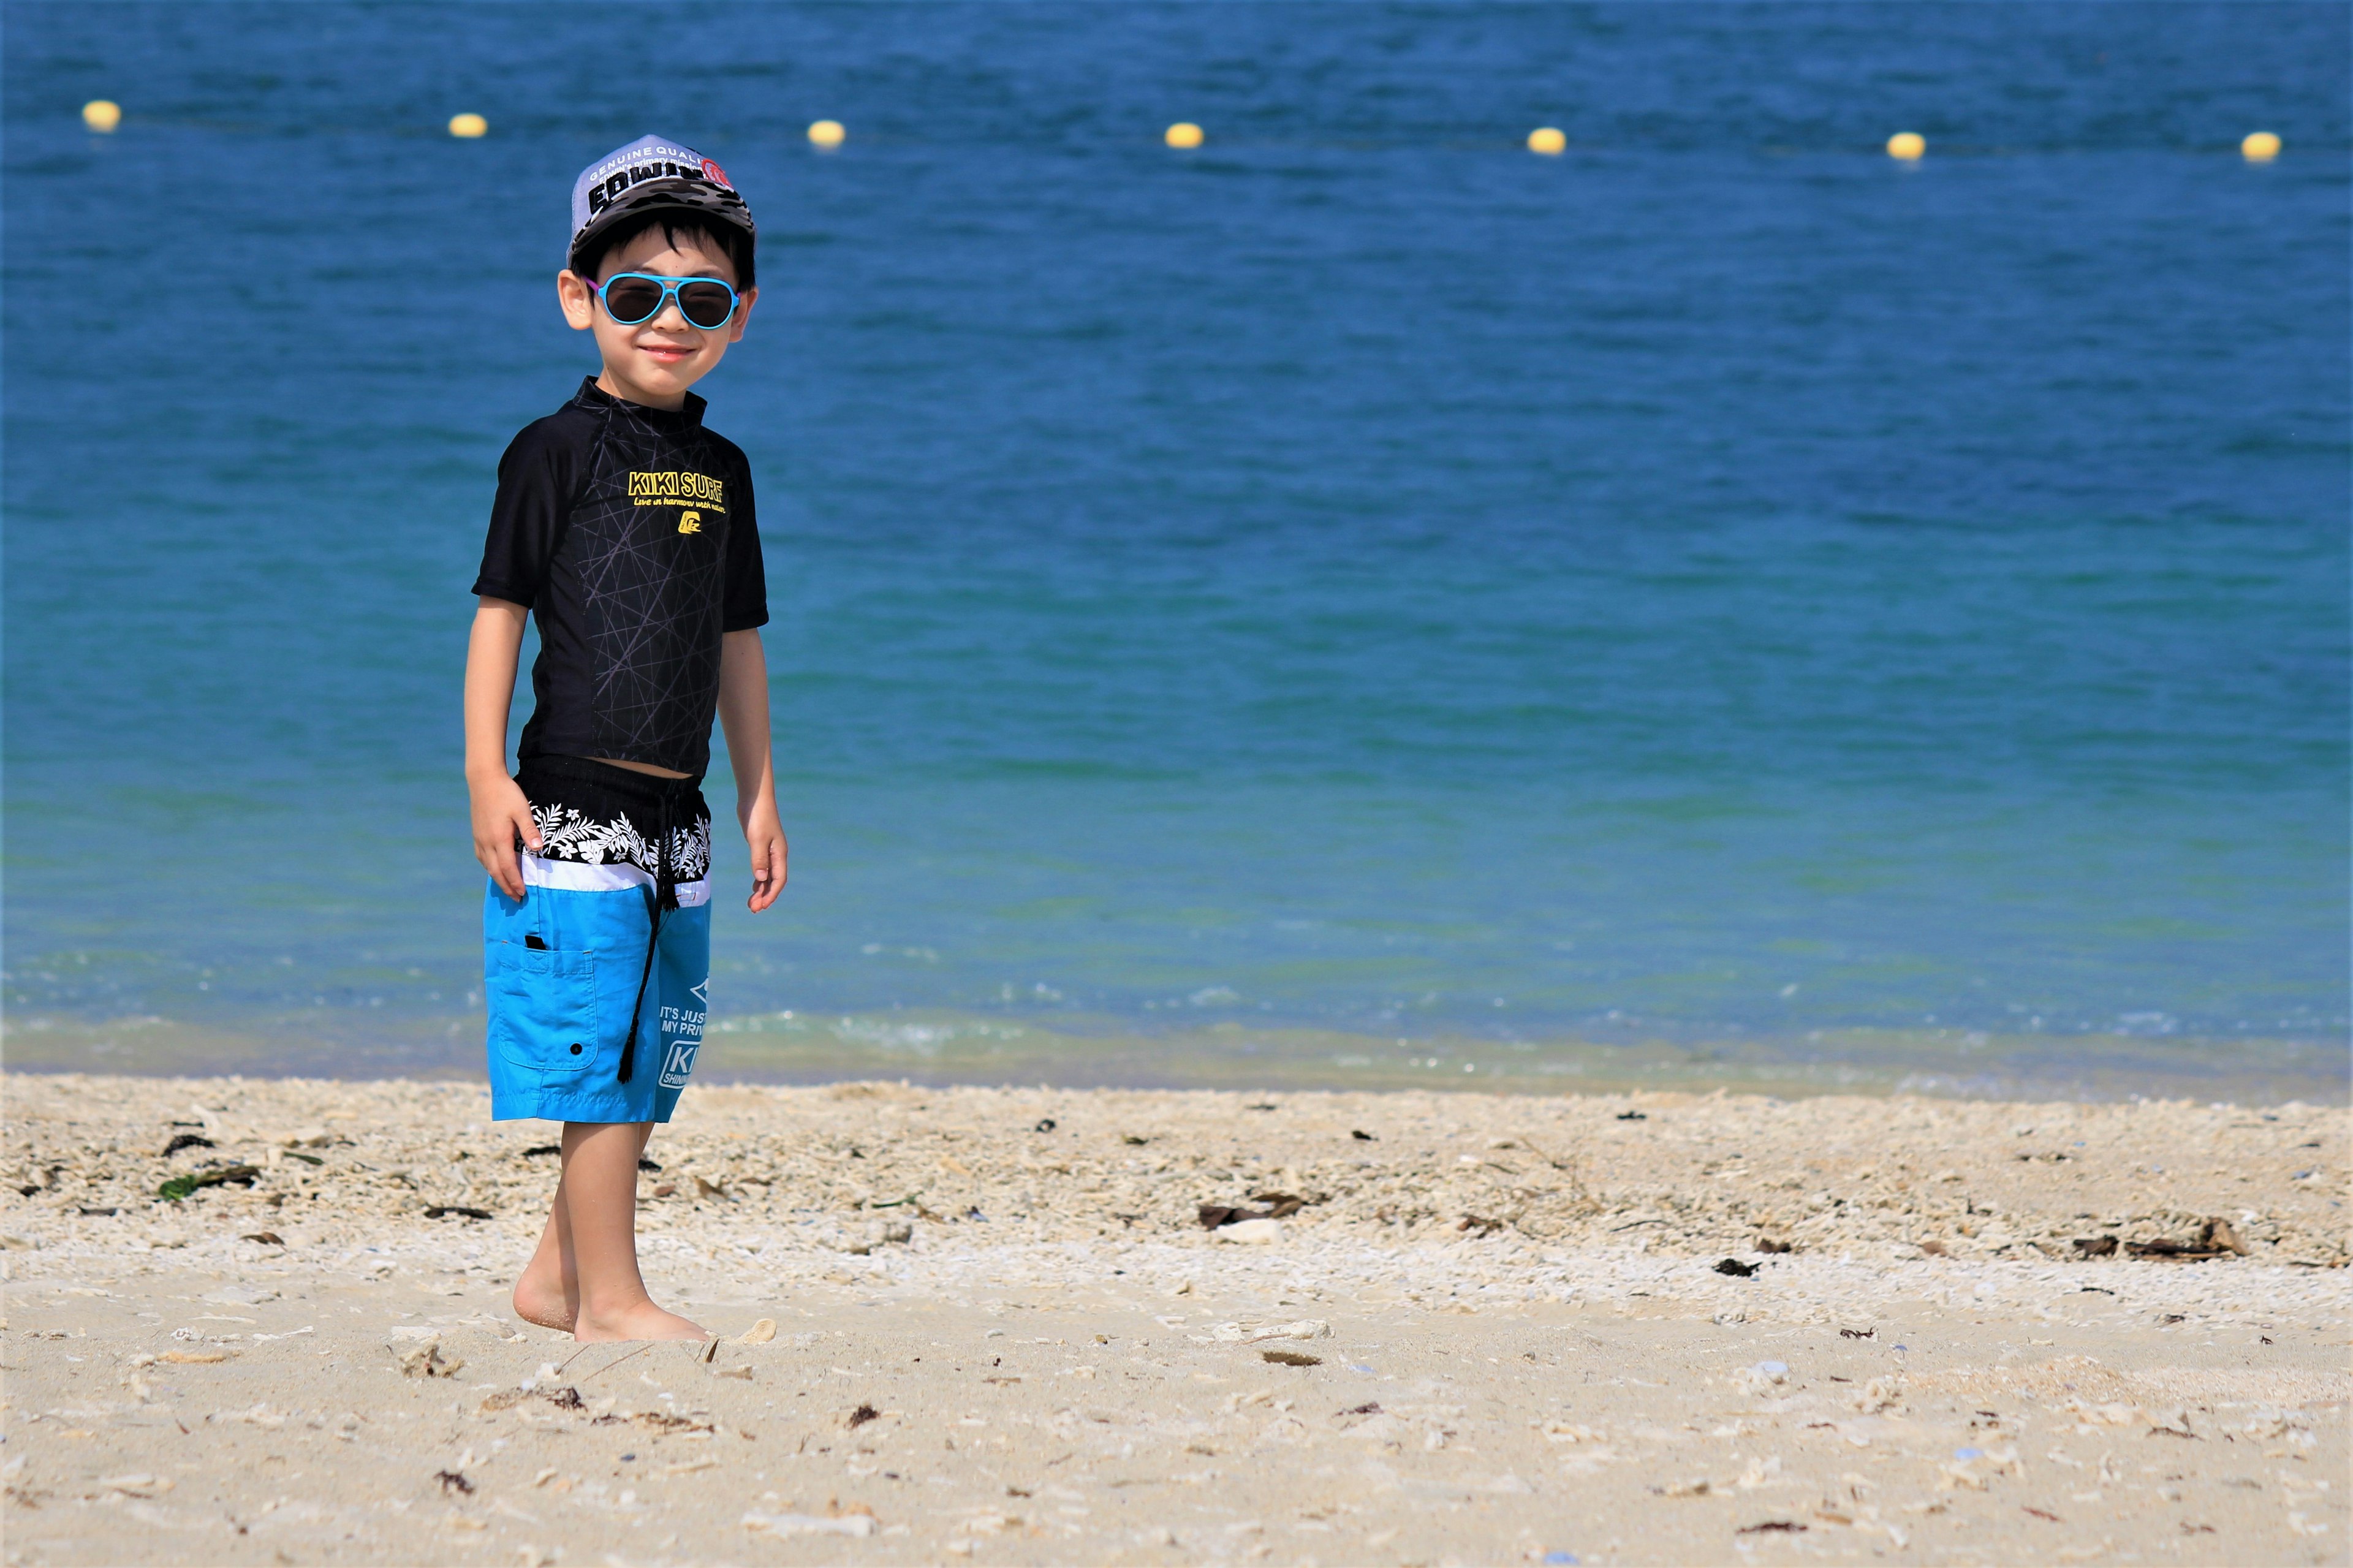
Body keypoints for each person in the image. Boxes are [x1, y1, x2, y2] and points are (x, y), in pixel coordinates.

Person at [463, 135, 786, 1342]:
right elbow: (501, 614)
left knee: (654, 1045)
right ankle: (613, 1299)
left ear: (738, 318)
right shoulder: (555, 450)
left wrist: (759, 793)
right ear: (578, 298)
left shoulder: (724, 468)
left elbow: (737, 639)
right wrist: (486, 771)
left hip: (683, 808)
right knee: (592, 1050)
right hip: (572, 801)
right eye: (636, 293)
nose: (668, 320)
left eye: (700, 300)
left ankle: (556, 1273)